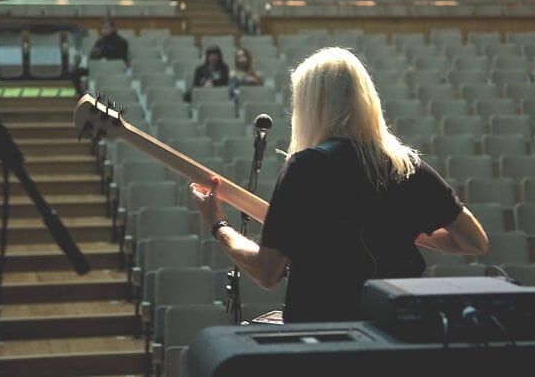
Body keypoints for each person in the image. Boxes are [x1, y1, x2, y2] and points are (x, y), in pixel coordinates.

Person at [190, 46, 489, 324]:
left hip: (323, 335)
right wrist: (401, 229)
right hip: (394, 332)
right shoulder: (407, 166)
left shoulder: (306, 168)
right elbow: (474, 242)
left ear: (312, 106)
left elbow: (267, 272)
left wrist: (218, 224)